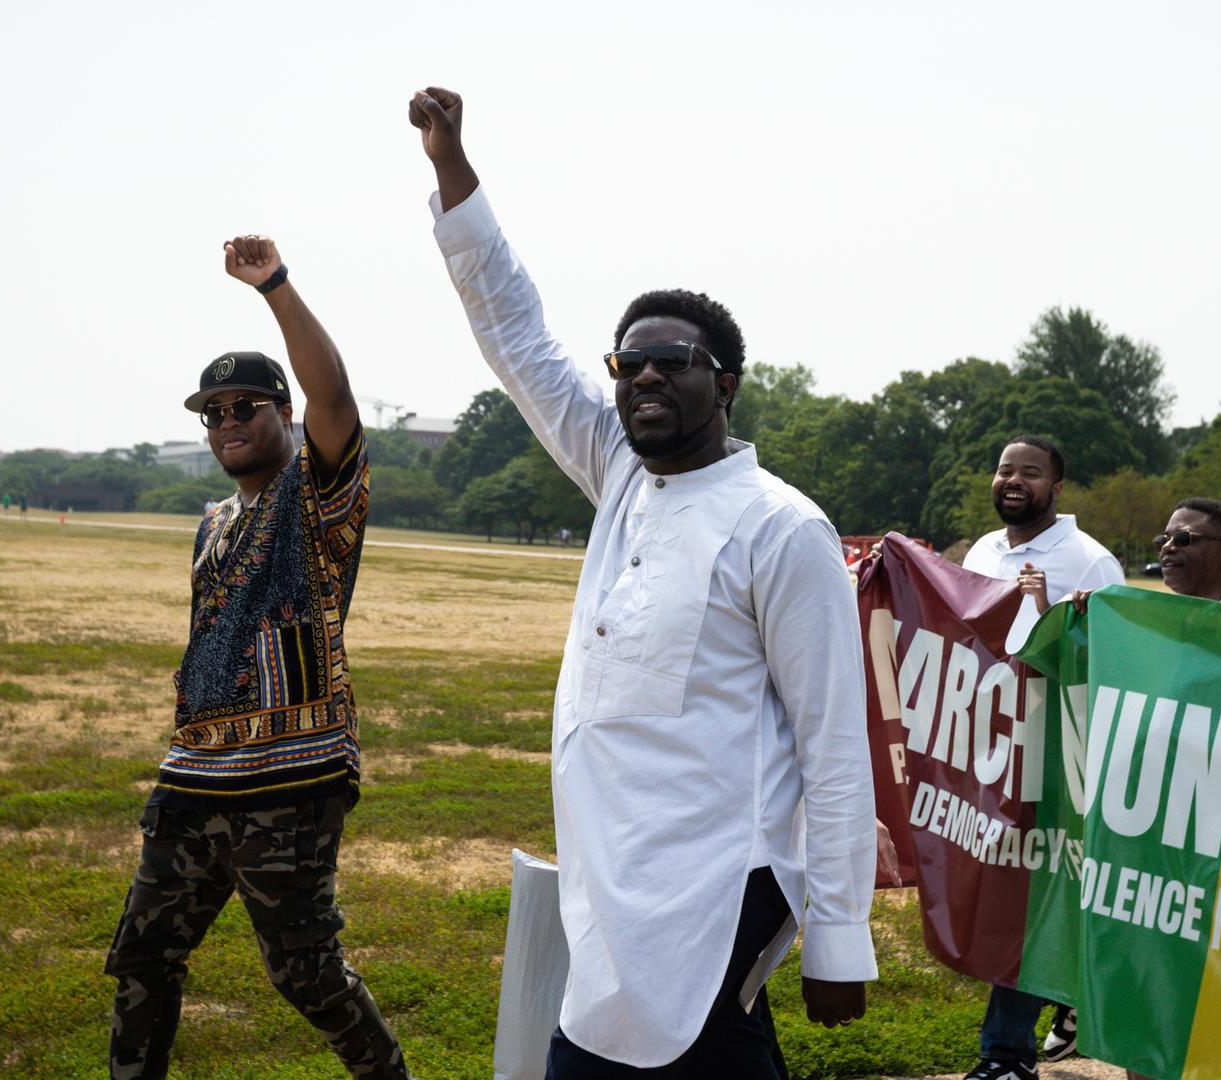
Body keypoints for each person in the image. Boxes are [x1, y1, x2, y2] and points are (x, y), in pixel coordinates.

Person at [411, 86, 876, 1077]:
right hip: (611, 877)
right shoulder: (619, 474)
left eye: (676, 362)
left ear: (728, 382)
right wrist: (452, 170)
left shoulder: (781, 528)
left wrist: (840, 941)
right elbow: (518, 338)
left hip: (723, 884)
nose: (647, 380)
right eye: (630, 364)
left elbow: (837, 746)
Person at [103, 236, 410, 1080]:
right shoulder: (210, 522)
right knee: (141, 957)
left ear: (285, 415)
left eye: (246, 406)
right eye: (214, 413)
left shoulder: (316, 498)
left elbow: (336, 394)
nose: (229, 422)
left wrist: (274, 287)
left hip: (291, 777)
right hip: (194, 778)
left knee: (305, 971)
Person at [1046, 496, 1221, 1080]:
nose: (1168, 548)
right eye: (1166, 537)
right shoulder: (1137, 627)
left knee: (1213, 1015)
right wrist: (1088, 624)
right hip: (1145, 853)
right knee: (1147, 1007)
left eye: (1185, 539)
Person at [958, 435, 1123, 1080]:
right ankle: (1074, 991)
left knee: (1034, 890)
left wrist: (1049, 608)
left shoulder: (1089, 560)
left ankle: (1005, 1054)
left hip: (1057, 754)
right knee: (1010, 886)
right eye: (1004, 469)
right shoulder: (983, 550)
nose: (1014, 480)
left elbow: (1107, 655)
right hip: (992, 742)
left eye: (1030, 471)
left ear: (1058, 487)